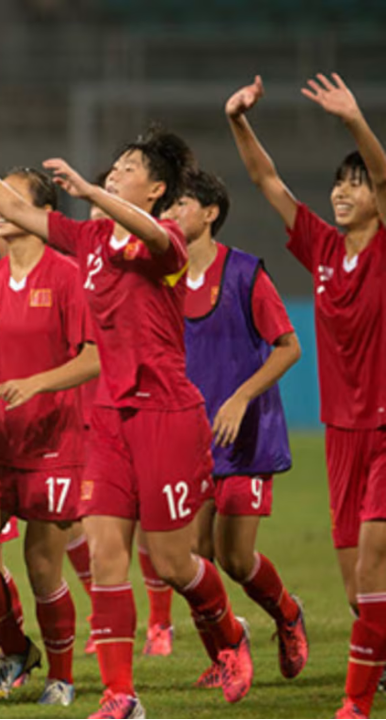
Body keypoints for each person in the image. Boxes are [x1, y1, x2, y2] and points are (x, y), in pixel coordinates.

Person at [0, 100, 254, 718]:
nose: (115, 170)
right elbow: (17, 209)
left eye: (130, 167)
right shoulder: (91, 239)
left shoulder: (168, 242)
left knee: (171, 560)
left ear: (156, 188)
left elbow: (153, 232)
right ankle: (119, 695)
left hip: (165, 412)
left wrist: (85, 190)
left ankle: (230, 637)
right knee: (107, 557)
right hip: (107, 417)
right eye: (116, 164)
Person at [226, 73, 386, 719]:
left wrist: (354, 121)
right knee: (357, 592)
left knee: (374, 563)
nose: (343, 191)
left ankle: (353, 704)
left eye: (357, 182)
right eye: (338, 182)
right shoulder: (321, 248)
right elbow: (269, 183)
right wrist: (238, 120)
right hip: (340, 431)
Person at [0, 168, 98, 707]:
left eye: (10, 197)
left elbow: (94, 358)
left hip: (52, 443)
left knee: (40, 566)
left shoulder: (68, 275)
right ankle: (14, 650)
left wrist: (37, 384)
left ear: (41, 214)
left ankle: (62, 675)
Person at [164, 168, 308, 687]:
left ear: (210, 213)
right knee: (191, 556)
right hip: (191, 438)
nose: (171, 213)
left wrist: (242, 397)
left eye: (181, 204)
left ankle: (288, 615)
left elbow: (290, 347)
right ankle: (225, 652)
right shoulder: (166, 279)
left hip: (245, 438)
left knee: (236, 557)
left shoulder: (246, 273)